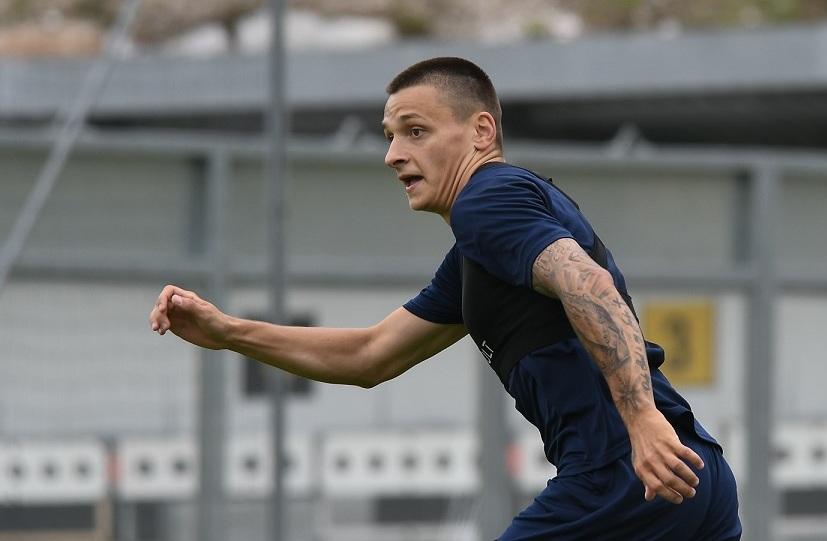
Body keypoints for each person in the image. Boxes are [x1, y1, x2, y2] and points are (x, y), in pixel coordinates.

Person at [149, 57, 741, 540]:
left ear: (481, 132)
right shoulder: (479, 252)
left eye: (416, 131)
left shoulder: (486, 200)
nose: (392, 154)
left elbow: (590, 285)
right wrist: (228, 331)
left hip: (625, 473)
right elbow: (370, 355)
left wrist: (640, 419)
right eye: (390, 136)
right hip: (694, 469)